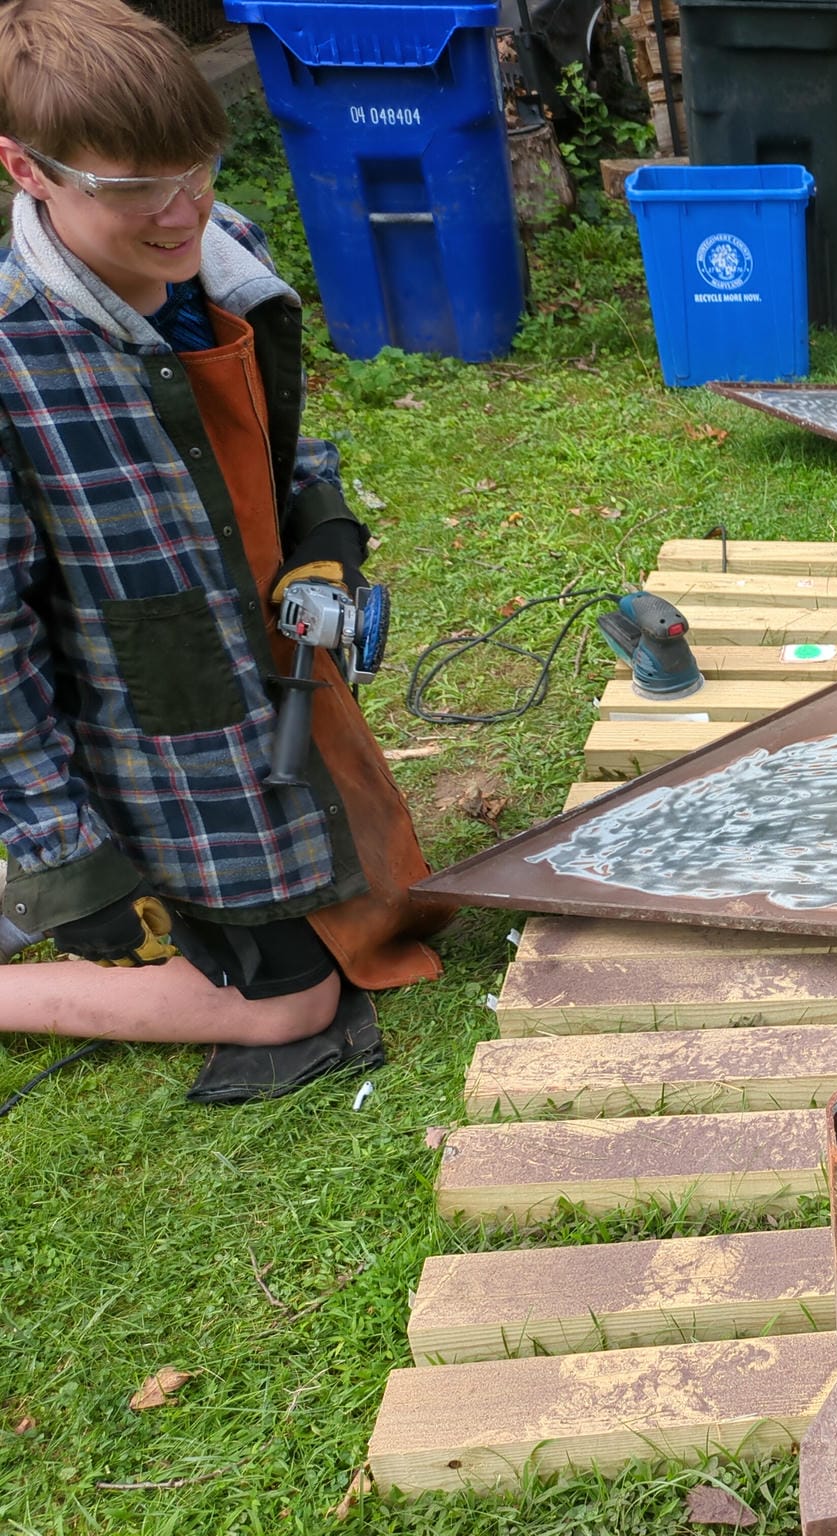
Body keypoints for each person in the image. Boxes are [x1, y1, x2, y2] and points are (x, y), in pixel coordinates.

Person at [0, 0, 451, 1103]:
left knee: (387, 902)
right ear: (27, 169)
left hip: (279, 685)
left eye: (196, 171)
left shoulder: (222, 252)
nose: (178, 213)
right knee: (296, 997)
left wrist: (324, 530)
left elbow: (282, 443)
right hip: (159, 749)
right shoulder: (15, 359)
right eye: (132, 188)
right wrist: (71, 869)